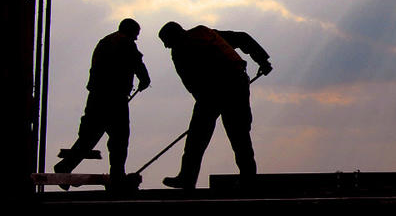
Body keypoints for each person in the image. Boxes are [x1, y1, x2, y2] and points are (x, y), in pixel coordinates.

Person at [158, 21, 273, 189]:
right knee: (239, 136)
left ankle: (187, 178)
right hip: (234, 86)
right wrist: (262, 60)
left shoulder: (180, 51)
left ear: (173, 37)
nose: (167, 47)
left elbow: (190, 82)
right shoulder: (205, 33)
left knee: (198, 139)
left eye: (166, 43)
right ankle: (248, 179)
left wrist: (203, 103)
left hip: (214, 92)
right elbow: (242, 38)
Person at [54, 18, 150, 187]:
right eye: (136, 35)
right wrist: (144, 80)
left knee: (89, 137)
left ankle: (65, 166)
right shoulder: (126, 43)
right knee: (120, 138)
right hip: (114, 99)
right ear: (130, 32)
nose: (135, 39)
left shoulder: (104, 42)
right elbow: (137, 64)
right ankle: (117, 174)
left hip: (96, 98)